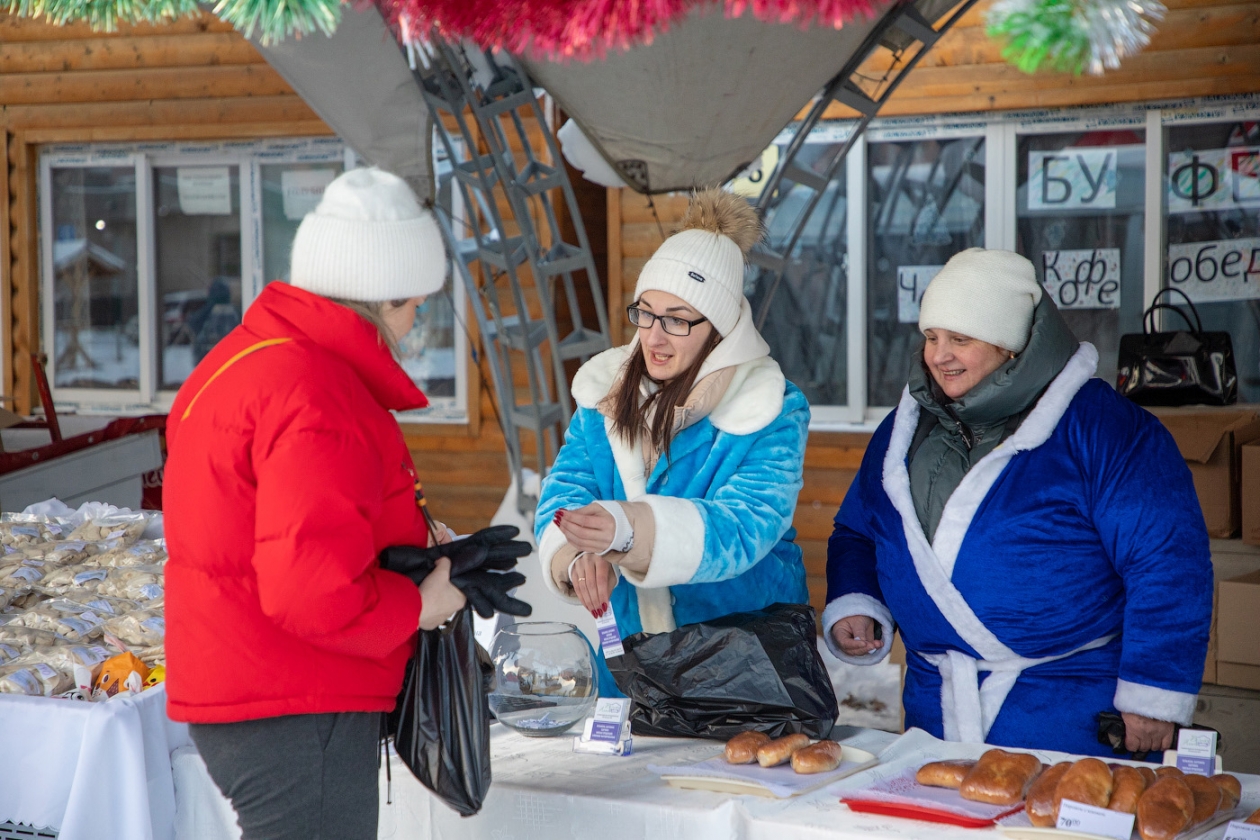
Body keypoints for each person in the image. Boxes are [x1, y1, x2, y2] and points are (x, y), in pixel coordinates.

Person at [164, 168, 471, 840]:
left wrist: (412, 536)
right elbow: (310, 591)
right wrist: (423, 604)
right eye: (416, 304)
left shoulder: (242, 362)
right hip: (298, 703)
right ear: (383, 299)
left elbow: (271, 527)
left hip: (249, 686)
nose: (417, 322)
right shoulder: (319, 394)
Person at [824, 247, 1212, 758]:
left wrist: (1154, 691)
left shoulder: (1105, 429)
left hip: (1067, 722)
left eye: (960, 339)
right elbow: (858, 530)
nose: (939, 355)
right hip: (932, 720)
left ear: (1011, 347)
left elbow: (1168, 561)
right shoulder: (903, 431)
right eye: (931, 337)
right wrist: (858, 599)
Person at [535, 188, 810, 690]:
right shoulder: (603, 393)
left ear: (721, 327)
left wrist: (628, 529)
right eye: (644, 312)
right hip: (629, 662)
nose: (653, 337)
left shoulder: (770, 404)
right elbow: (567, 486)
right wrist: (576, 554)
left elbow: (747, 524)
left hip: (743, 664)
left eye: (677, 320)